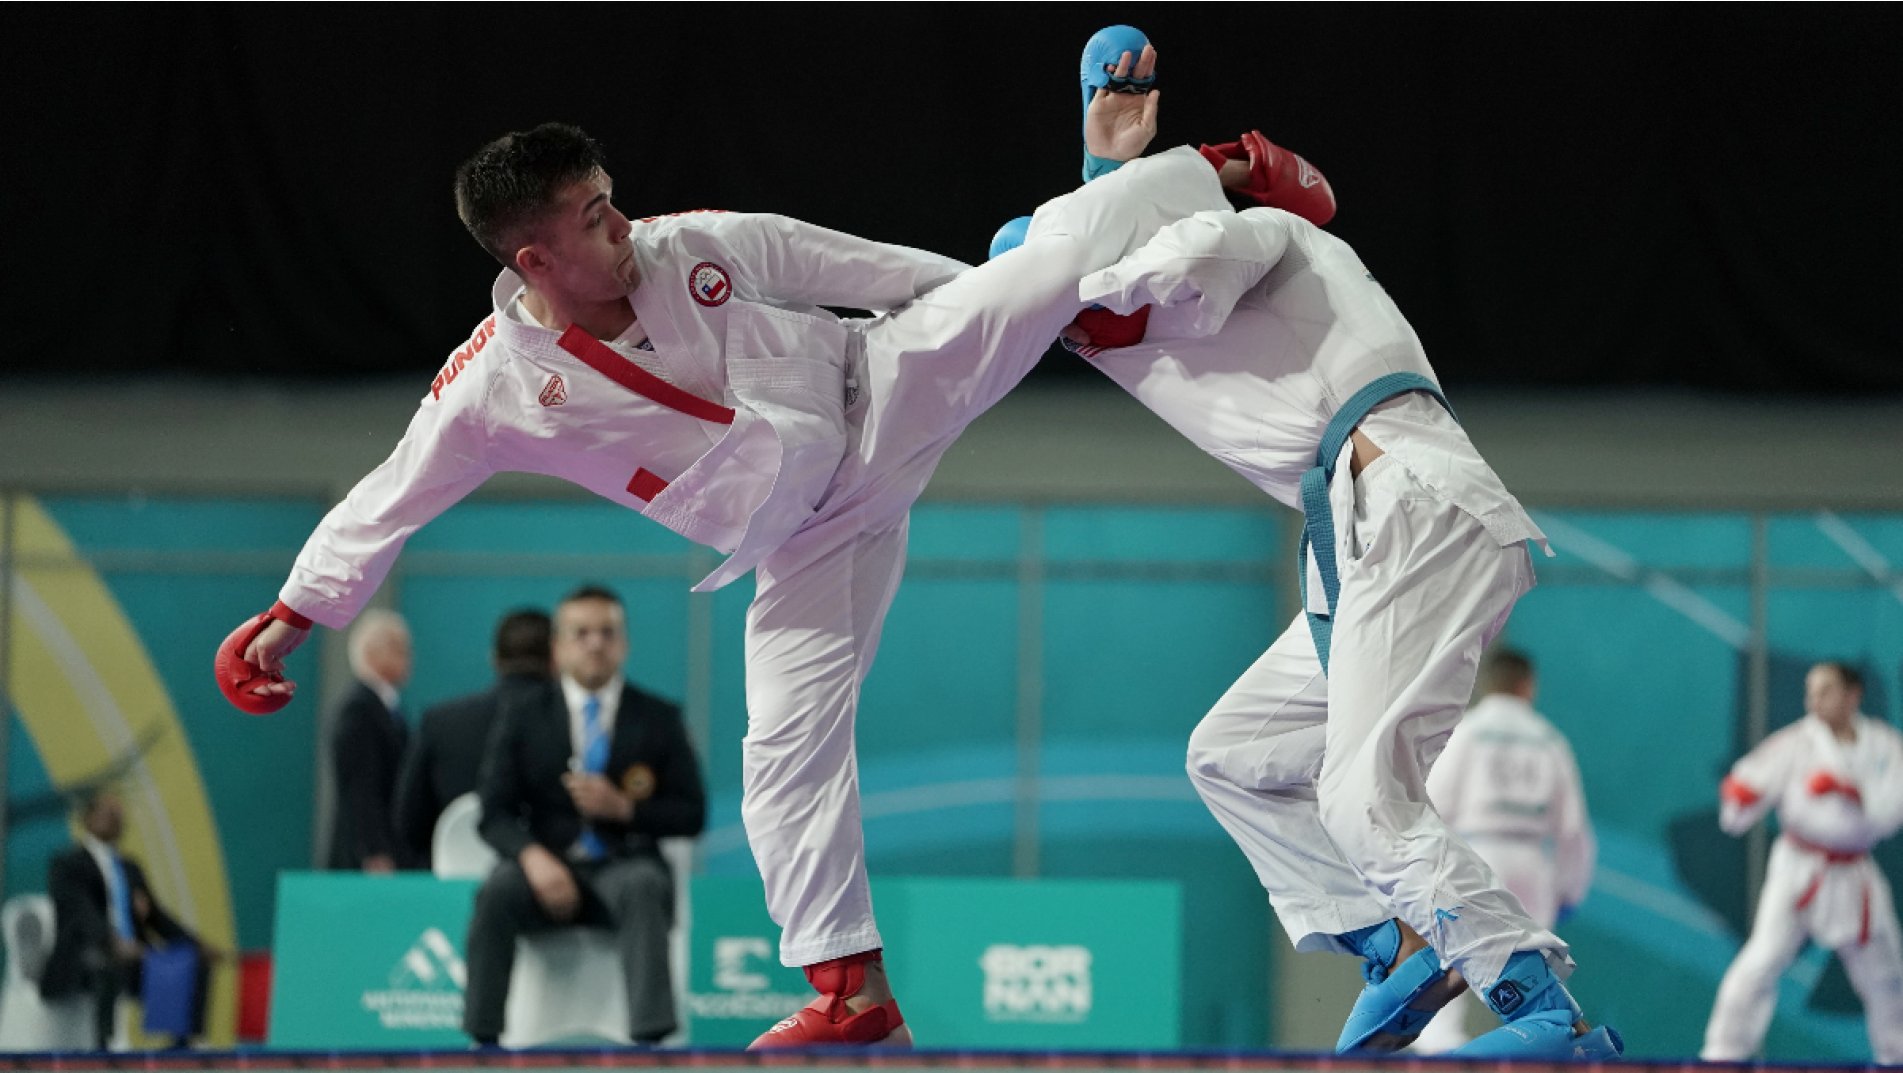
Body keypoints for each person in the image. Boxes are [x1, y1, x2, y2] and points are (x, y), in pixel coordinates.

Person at [217, 62, 1247, 1046]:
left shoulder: (691, 243)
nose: (622, 225)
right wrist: (293, 612)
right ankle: (852, 989)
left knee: (1034, 276)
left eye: (610, 199)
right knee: (779, 752)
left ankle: (1218, 168)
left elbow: (848, 264)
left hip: (872, 397)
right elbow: (392, 492)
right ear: (531, 260)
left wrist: (1009, 296)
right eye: (592, 218)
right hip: (800, 537)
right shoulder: (492, 390)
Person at [986, 27, 1618, 1057]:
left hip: (1411, 498)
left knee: (1363, 797)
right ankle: (1395, 946)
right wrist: (1101, 181)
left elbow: (1180, 250)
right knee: (1231, 756)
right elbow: (1110, 240)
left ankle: (1538, 1003)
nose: (1062, 328)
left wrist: (1095, 257)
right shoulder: (1140, 320)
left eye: (1055, 300)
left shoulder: (1266, 240)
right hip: (1363, 534)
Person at [465, 585, 705, 1045]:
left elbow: (691, 814)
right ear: (558, 646)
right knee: (495, 892)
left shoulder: (659, 718)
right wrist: (534, 858)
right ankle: (483, 1043)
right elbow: (492, 812)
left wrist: (625, 808)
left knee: (642, 887)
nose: (595, 643)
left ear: (624, 644)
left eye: (607, 633)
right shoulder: (523, 715)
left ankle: (652, 1044)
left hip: (624, 866)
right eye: (581, 633)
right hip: (544, 869)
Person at [1701, 661, 1903, 1063]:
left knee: (1888, 976)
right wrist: (1740, 799)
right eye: (1810, 690)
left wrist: (1850, 791)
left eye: (1824, 690)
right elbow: (1748, 784)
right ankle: (1722, 1055)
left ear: (1852, 695)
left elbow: (1889, 813)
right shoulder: (1794, 742)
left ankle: (1895, 1054)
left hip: (1854, 872)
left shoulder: (1885, 744)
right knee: (1761, 962)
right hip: (1799, 868)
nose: (1812, 700)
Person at [1412, 647, 1596, 1053]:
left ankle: (1440, 1048)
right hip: (1531, 861)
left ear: (1488, 682)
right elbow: (1573, 830)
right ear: (1527, 685)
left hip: (1478, 853)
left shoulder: (1469, 731)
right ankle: (1542, 1043)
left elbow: (1433, 804)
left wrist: (1427, 872)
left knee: (1453, 955)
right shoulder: (1549, 739)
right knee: (1536, 967)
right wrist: (1570, 889)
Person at [40, 789, 213, 1049]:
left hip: (134, 954)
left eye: (119, 815)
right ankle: (104, 1045)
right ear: (88, 818)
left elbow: (156, 916)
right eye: (107, 813)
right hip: (87, 952)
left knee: (191, 958)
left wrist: (194, 942)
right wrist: (111, 940)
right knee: (105, 960)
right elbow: (79, 911)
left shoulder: (130, 868)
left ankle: (181, 1043)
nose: (115, 819)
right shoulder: (67, 864)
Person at [395, 608, 553, 868]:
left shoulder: (438, 722)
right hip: (545, 885)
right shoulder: (570, 725)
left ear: (495, 659)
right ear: (555, 658)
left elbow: (407, 822)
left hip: (450, 886)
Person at [327, 609, 414, 872]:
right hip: (365, 858)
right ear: (373, 653)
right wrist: (374, 850)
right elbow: (360, 786)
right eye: (399, 649)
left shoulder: (385, 708)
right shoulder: (359, 709)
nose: (409, 658)